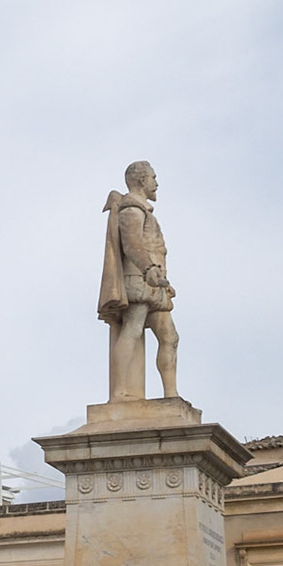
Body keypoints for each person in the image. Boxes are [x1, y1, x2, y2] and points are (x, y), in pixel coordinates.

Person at [97, 160, 180, 403]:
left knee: (169, 337)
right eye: (154, 178)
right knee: (132, 328)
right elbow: (132, 244)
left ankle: (171, 395)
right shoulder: (131, 210)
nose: (157, 183)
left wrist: (162, 277)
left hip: (155, 281)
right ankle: (120, 392)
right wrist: (148, 269)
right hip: (140, 278)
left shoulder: (142, 210)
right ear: (142, 181)